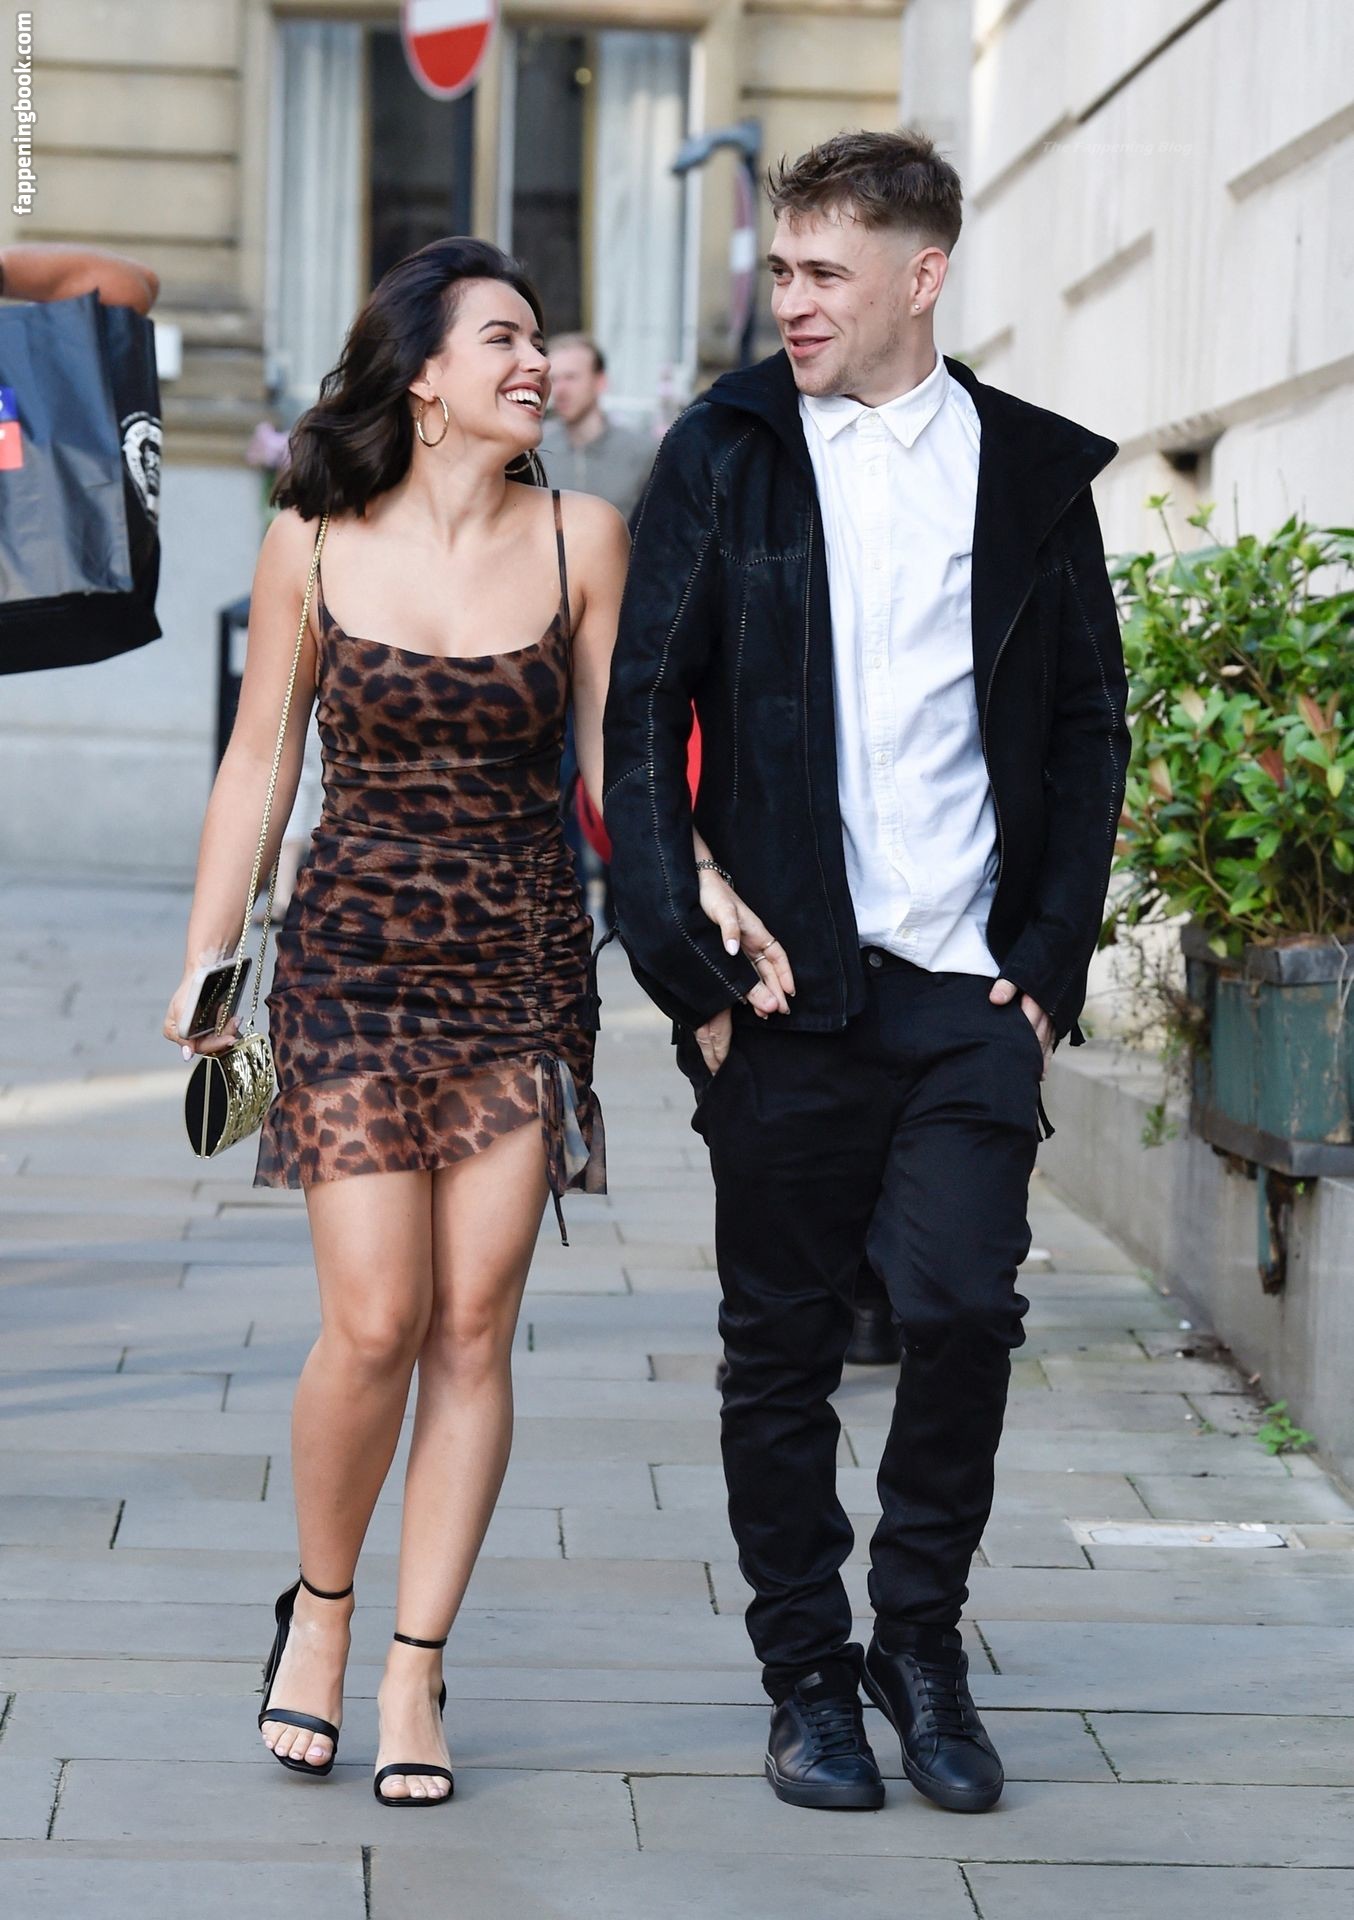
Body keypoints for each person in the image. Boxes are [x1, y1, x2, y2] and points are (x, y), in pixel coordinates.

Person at [603, 129, 1129, 1815]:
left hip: (968, 993)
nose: (793, 302)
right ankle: (804, 1680)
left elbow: (1085, 725)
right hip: (782, 996)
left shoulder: (1028, 470)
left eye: (825, 272)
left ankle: (918, 1643)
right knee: (777, 1352)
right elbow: (639, 711)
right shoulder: (725, 452)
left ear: (922, 274)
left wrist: (1044, 964)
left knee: (962, 1306)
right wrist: (684, 970)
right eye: (781, 269)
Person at [161, 239, 634, 1809]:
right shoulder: (309, 539)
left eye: (538, 339)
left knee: (472, 1323)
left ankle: (416, 1666)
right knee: (373, 1321)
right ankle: (323, 1610)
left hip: (520, 965)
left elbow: (615, 772)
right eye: (501, 337)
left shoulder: (582, 538)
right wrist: (210, 957)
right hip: (351, 958)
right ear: (422, 376)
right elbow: (258, 761)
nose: (533, 360)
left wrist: (703, 895)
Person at [536, 333, 654, 521]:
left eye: (571, 377)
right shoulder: (538, 452)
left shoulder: (643, 453)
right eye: (553, 379)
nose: (560, 390)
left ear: (600, 382)